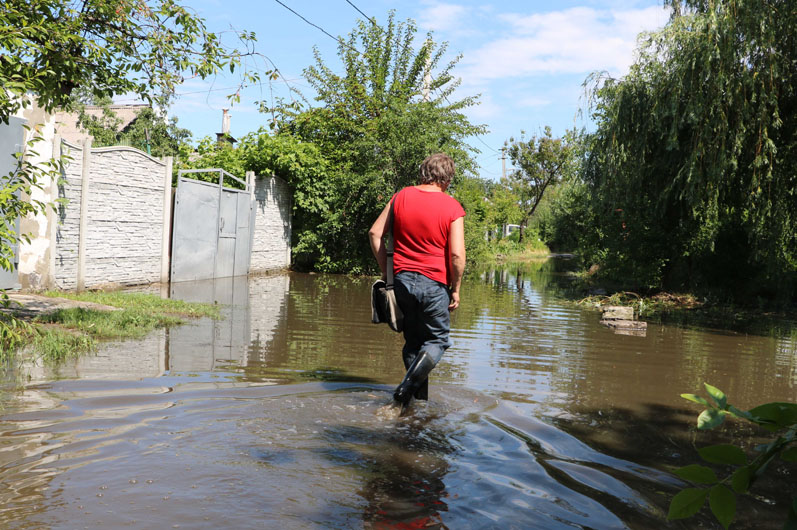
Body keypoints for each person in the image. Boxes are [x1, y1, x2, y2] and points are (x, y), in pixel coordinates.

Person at [368, 153, 466, 411]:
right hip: (434, 284)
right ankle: (405, 390)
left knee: (413, 343)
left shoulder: (400, 197)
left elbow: (375, 233)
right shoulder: (452, 207)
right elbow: (456, 255)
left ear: (424, 172)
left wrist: (388, 274)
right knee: (437, 342)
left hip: (401, 283)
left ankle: (415, 406)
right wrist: (455, 289)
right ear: (446, 179)